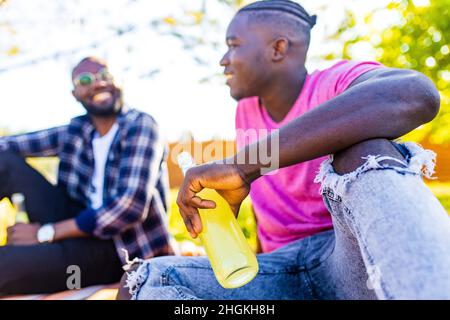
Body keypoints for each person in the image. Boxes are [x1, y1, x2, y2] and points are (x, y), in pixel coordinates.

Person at [118, 0, 450, 300]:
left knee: (366, 151)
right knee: (145, 280)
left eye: (233, 46)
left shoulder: (333, 84)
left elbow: (415, 93)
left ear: (278, 48)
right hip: (282, 270)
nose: (223, 60)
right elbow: (272, 210)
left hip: (349, 260)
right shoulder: (246, 110)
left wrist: (243, 165)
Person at [0, 56, 174, 295]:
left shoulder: (140, 125)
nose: (98, 84)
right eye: (85, 80)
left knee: (5, 263)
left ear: (119, 82)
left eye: (105, 76)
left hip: (119, 249)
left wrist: (44, 233)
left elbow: (130, 206)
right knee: (3, 160)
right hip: (76, 224)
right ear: (75, 94)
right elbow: (7, 145)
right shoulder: (79, 130)